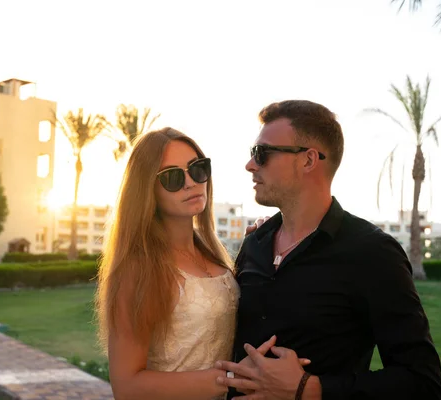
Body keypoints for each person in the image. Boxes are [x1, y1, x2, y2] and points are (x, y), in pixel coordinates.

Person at [215, 100, 441, 400]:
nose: (250, 165)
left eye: (262, 153)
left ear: (309, 160)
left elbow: (422, 383)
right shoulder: (255, 243)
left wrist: (310, 389)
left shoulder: (373, 254)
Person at [95, 127, 303, 400]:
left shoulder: (212, 255)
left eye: (197, 169)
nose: (191, 183)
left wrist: (266, 242)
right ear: (147, 190)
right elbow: (127, 386)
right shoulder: (140, 268)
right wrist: (232, 379)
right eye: (172, 177)